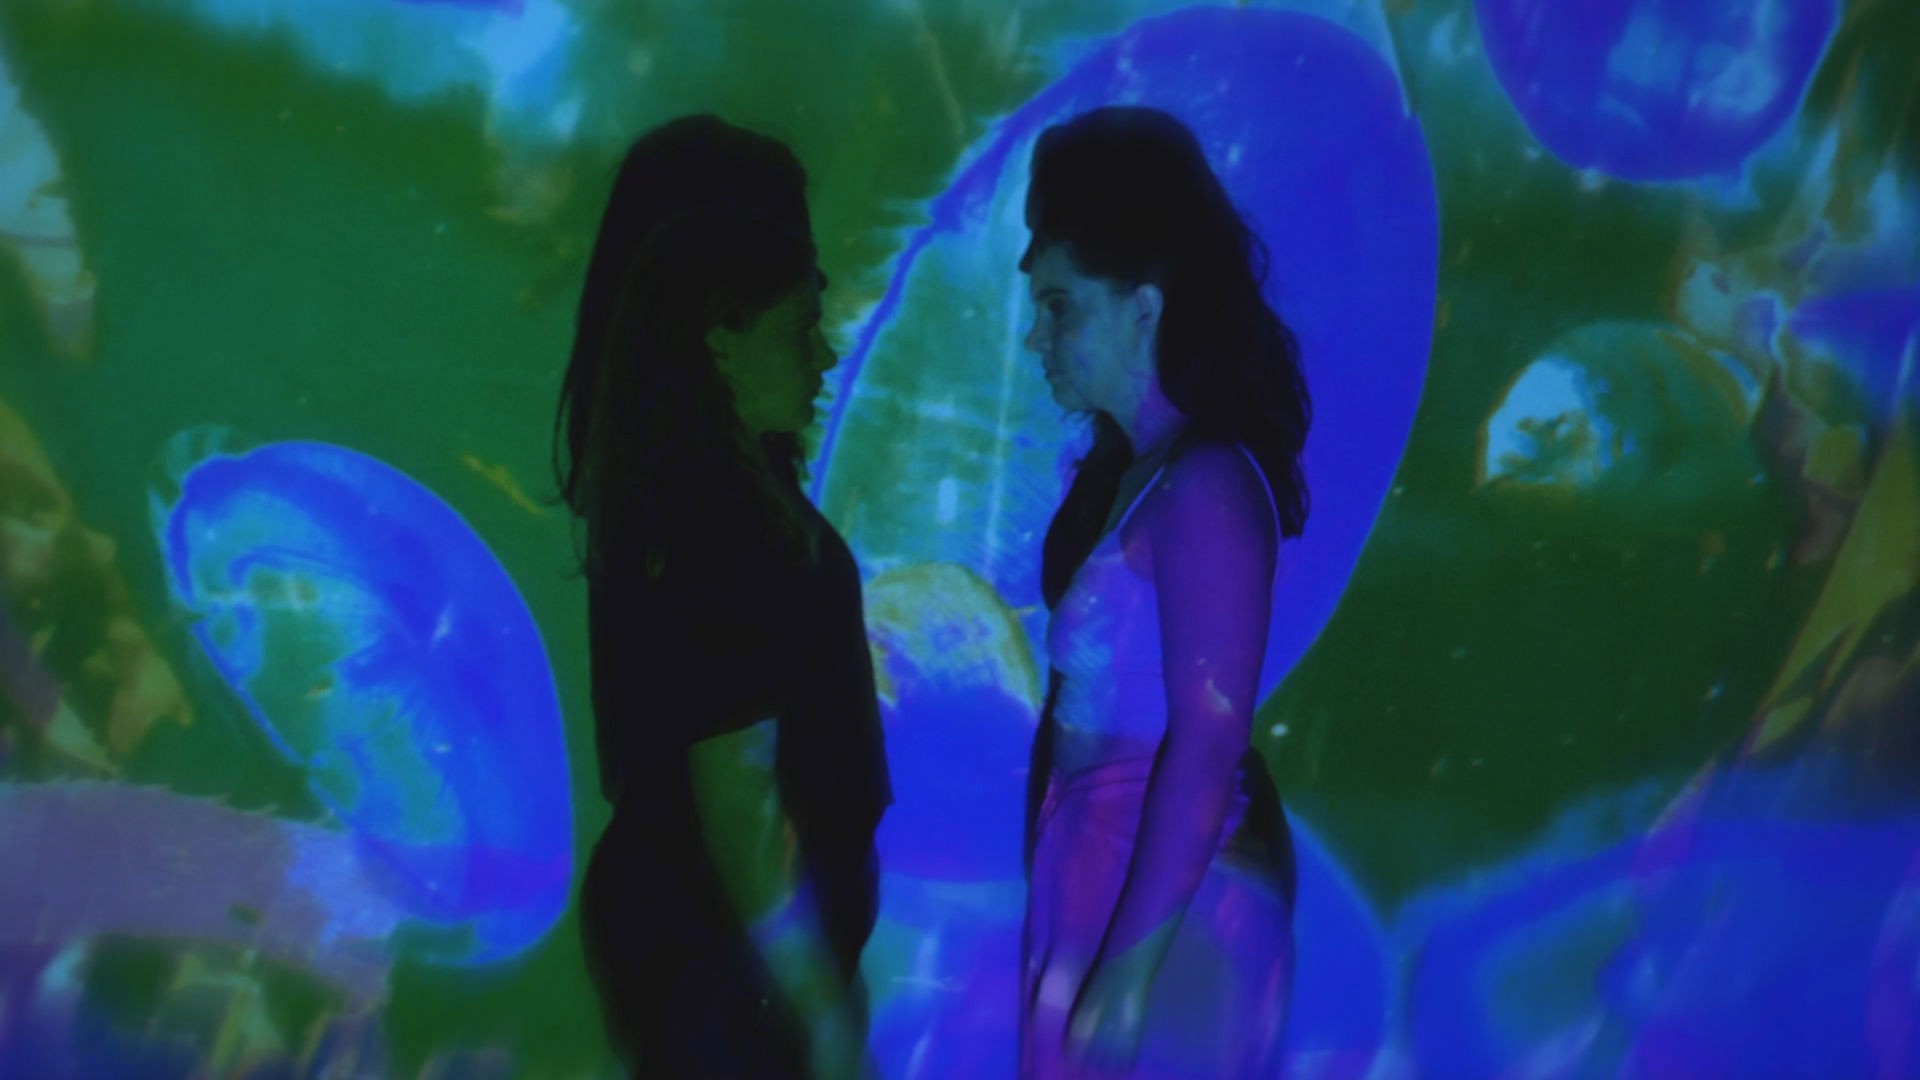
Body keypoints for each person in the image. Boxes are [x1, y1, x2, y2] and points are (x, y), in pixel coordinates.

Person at [554, 117, 891, 1079]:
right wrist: (821, 1010)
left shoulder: (687, 494)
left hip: (720, 950)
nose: (824, 354)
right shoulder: (718, 519)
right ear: (720, 336)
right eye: (799, 317)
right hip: (731, 960)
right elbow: (738, 797)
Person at [1017, 106, 1308, 1078]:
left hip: (1171, 900)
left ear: (1144, 305)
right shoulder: (1136, 472)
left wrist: (1128, 976)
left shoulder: (1208, 484)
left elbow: (1209, 741)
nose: (1036, 336)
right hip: (1113, 870)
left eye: (1059, 305)